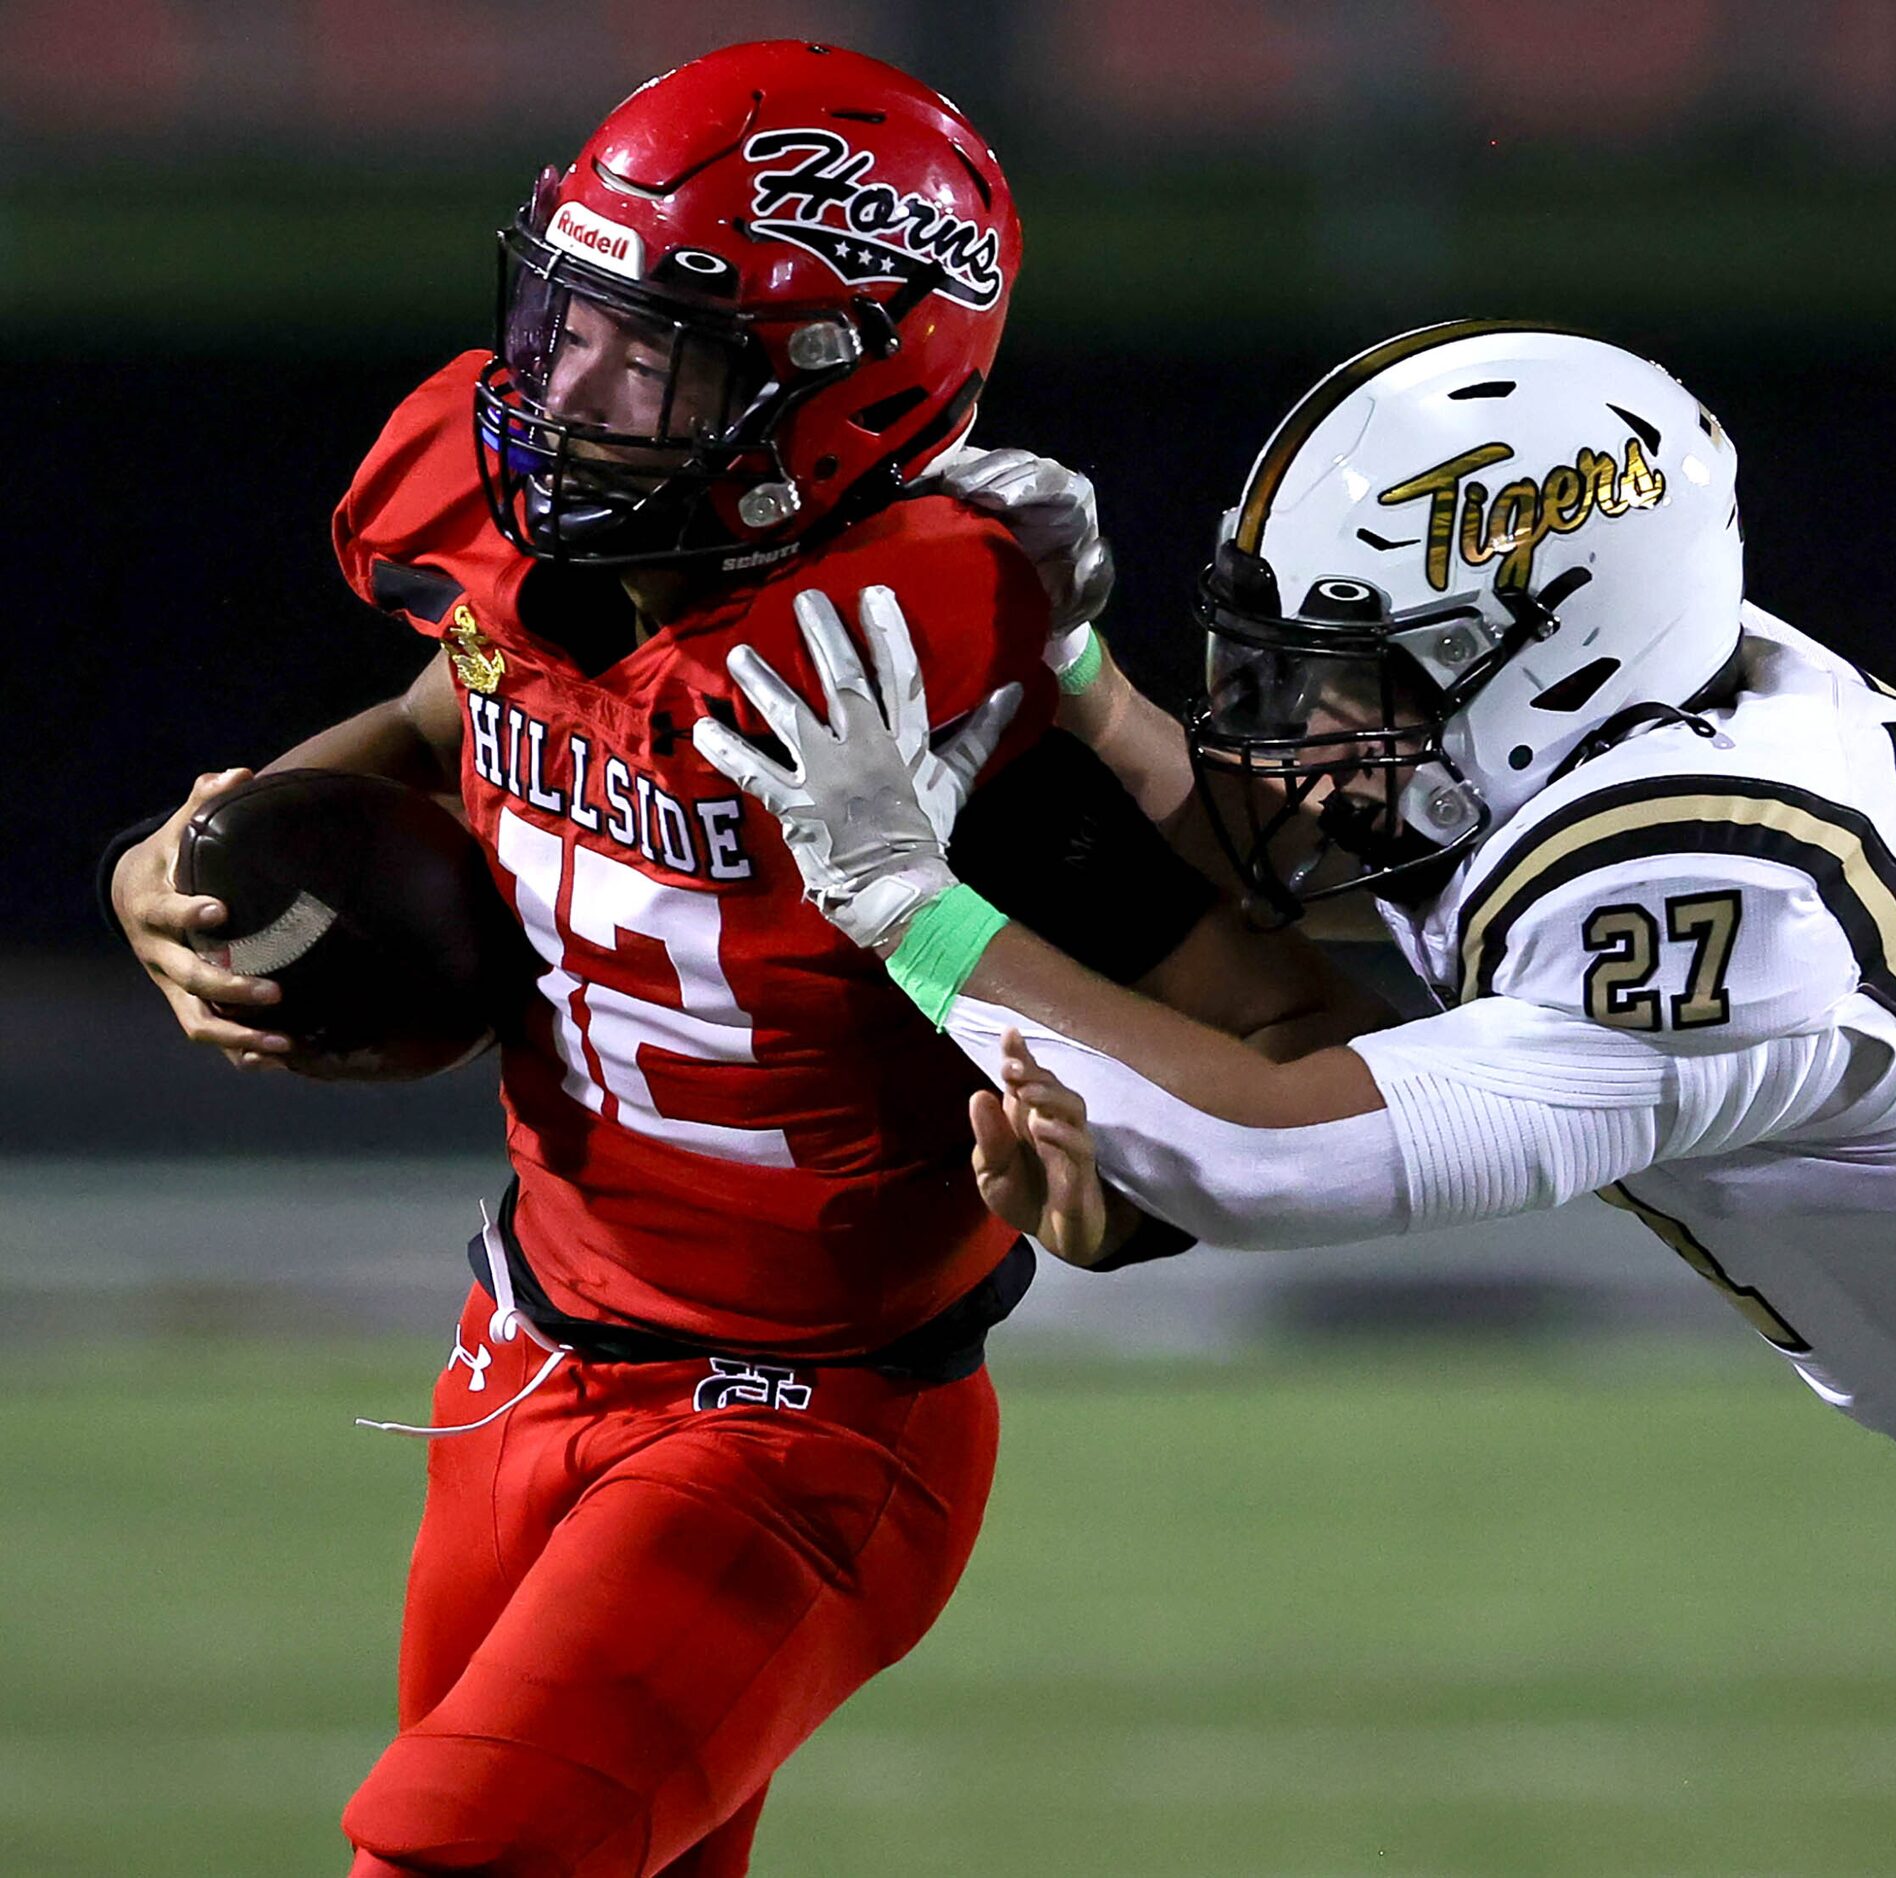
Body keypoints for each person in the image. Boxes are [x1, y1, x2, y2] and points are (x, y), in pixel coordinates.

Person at [697, 319, 1896, 1875]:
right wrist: (1078, 680)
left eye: (1346, 688)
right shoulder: (1628, 736)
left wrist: (897, 897)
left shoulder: (1715, 881)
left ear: (1560, 650)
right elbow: (1308, 872)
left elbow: (1276, 1145)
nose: (1296, 737)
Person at [101, 40, 1375, 1877]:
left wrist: (1138, 1177)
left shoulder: (894, 667)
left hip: (800, 1425)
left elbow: (1277, 1013)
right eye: (571, 319)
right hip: (520, 1346)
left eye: (660, 353)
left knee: (452, 1855)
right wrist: (188, 859)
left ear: (844, 397)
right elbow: (446, 700)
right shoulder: (512, 522)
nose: (570, 389)